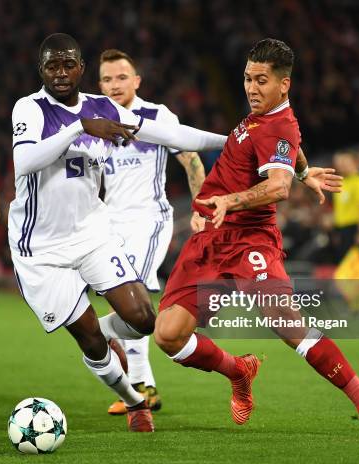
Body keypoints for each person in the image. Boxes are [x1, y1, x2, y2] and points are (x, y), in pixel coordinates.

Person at [153, 39, 359, 440]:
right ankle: (239, 370)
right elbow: (289, 152)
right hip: (212, 238)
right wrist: (305, 171)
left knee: (287, 323)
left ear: (283, 85)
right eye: (248, 78)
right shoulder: (268, 118)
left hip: (250, 238)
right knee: (167, 336)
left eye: (261, 81)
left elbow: (278, 186)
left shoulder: (277, 123)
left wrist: (232, 200)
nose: (251, 88)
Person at [8, 33, 226, 432]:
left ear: (80, 68)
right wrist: (78, 128)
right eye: (51, 65)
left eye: (67, 64)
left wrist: (235, 143)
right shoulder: (31, 108)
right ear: (41, 70)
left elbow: (172, 136)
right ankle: (134, 400)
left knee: (143, 318)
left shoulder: (102, 107)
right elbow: (24, 161)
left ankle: (95, 328)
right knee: (90, 341)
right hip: (41, 247)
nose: (60, 73)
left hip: (92, 233)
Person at [98, 48, 206, 415]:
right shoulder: (96, 120)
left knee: (133, 297)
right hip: (109, 223)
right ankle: (140, 384)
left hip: (148, 220)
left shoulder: (156, 116)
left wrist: (201, 206)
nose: (115, 85)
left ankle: (139, 386)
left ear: (136, 81)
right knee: (125, 303)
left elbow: (190, 157)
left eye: (121, 77)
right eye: (107, 79)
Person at [333, 152, 359, 275]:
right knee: (347, 264)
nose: (341, 166)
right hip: (342, 229)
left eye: (344, 163)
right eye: (339, 164)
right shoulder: (341, 182)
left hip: (355, 228)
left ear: (353, 163)